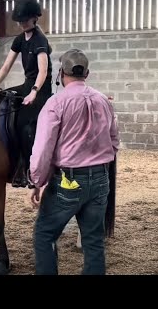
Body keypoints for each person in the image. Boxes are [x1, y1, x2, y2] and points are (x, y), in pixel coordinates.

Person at [28, 49, 120, 275]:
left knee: (45, 234)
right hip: (100, 178)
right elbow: (114, 141)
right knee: (94, 241)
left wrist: (37, 181)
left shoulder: (55, 103)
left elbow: (42, 149)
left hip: (68, 181)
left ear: (61, 73)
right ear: (87, 73)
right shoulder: (103, 101)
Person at [0, 0, 53, 188]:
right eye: (20, 21)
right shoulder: (19, 40)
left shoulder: (39, 40)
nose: (21, 24)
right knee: (2, 101)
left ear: (34, 18)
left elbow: (42, 72)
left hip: (41, 89)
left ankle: (28, 168)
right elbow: (6, 66)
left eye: (25, 20)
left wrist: (34, 92)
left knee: (24, 124)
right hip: (27, 84)